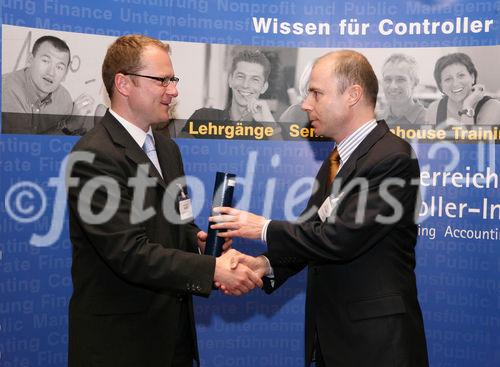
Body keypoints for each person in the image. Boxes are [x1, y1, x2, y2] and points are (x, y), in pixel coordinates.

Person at [211, 50, 429, 366]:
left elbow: (340, 238)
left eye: (316, 92)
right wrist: (264, 265)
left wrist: (261, 228)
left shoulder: (392, 157)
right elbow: (313, 231)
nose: (305, 104)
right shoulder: (336, 160)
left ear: (353, 94)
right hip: (332, 341)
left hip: (376, 347)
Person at [66, 34, 262, 367]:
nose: (173, 90)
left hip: (174, 338)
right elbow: (129, 253)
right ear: (124, 83)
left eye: (174, 80)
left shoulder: (166, 148)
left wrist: (201, 244)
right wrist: (212, 268)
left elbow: (177, 223)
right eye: (162, 80)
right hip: (121, 345)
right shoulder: (92, 156)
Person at [2, 35, 95, 134]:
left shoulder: (63, 98)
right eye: (46, 61)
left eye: (59, 67)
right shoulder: (6, 89)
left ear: (65, 74)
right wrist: (71, 124)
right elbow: (25, 145)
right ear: (30, 60)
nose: (51, 73)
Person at [426, 52, 500, 125]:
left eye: (461, 75)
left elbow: (469, 137)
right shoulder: (434, 109)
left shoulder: (493, 107)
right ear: (441, 86)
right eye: (448, 79)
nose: (455, 83)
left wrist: (467, 105)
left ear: (472, 77)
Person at [378, 53, 427, 126]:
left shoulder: (431, 120)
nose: (393, 86)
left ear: (415, 83)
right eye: (388, 79)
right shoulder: (376, 120)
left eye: (400, 79)